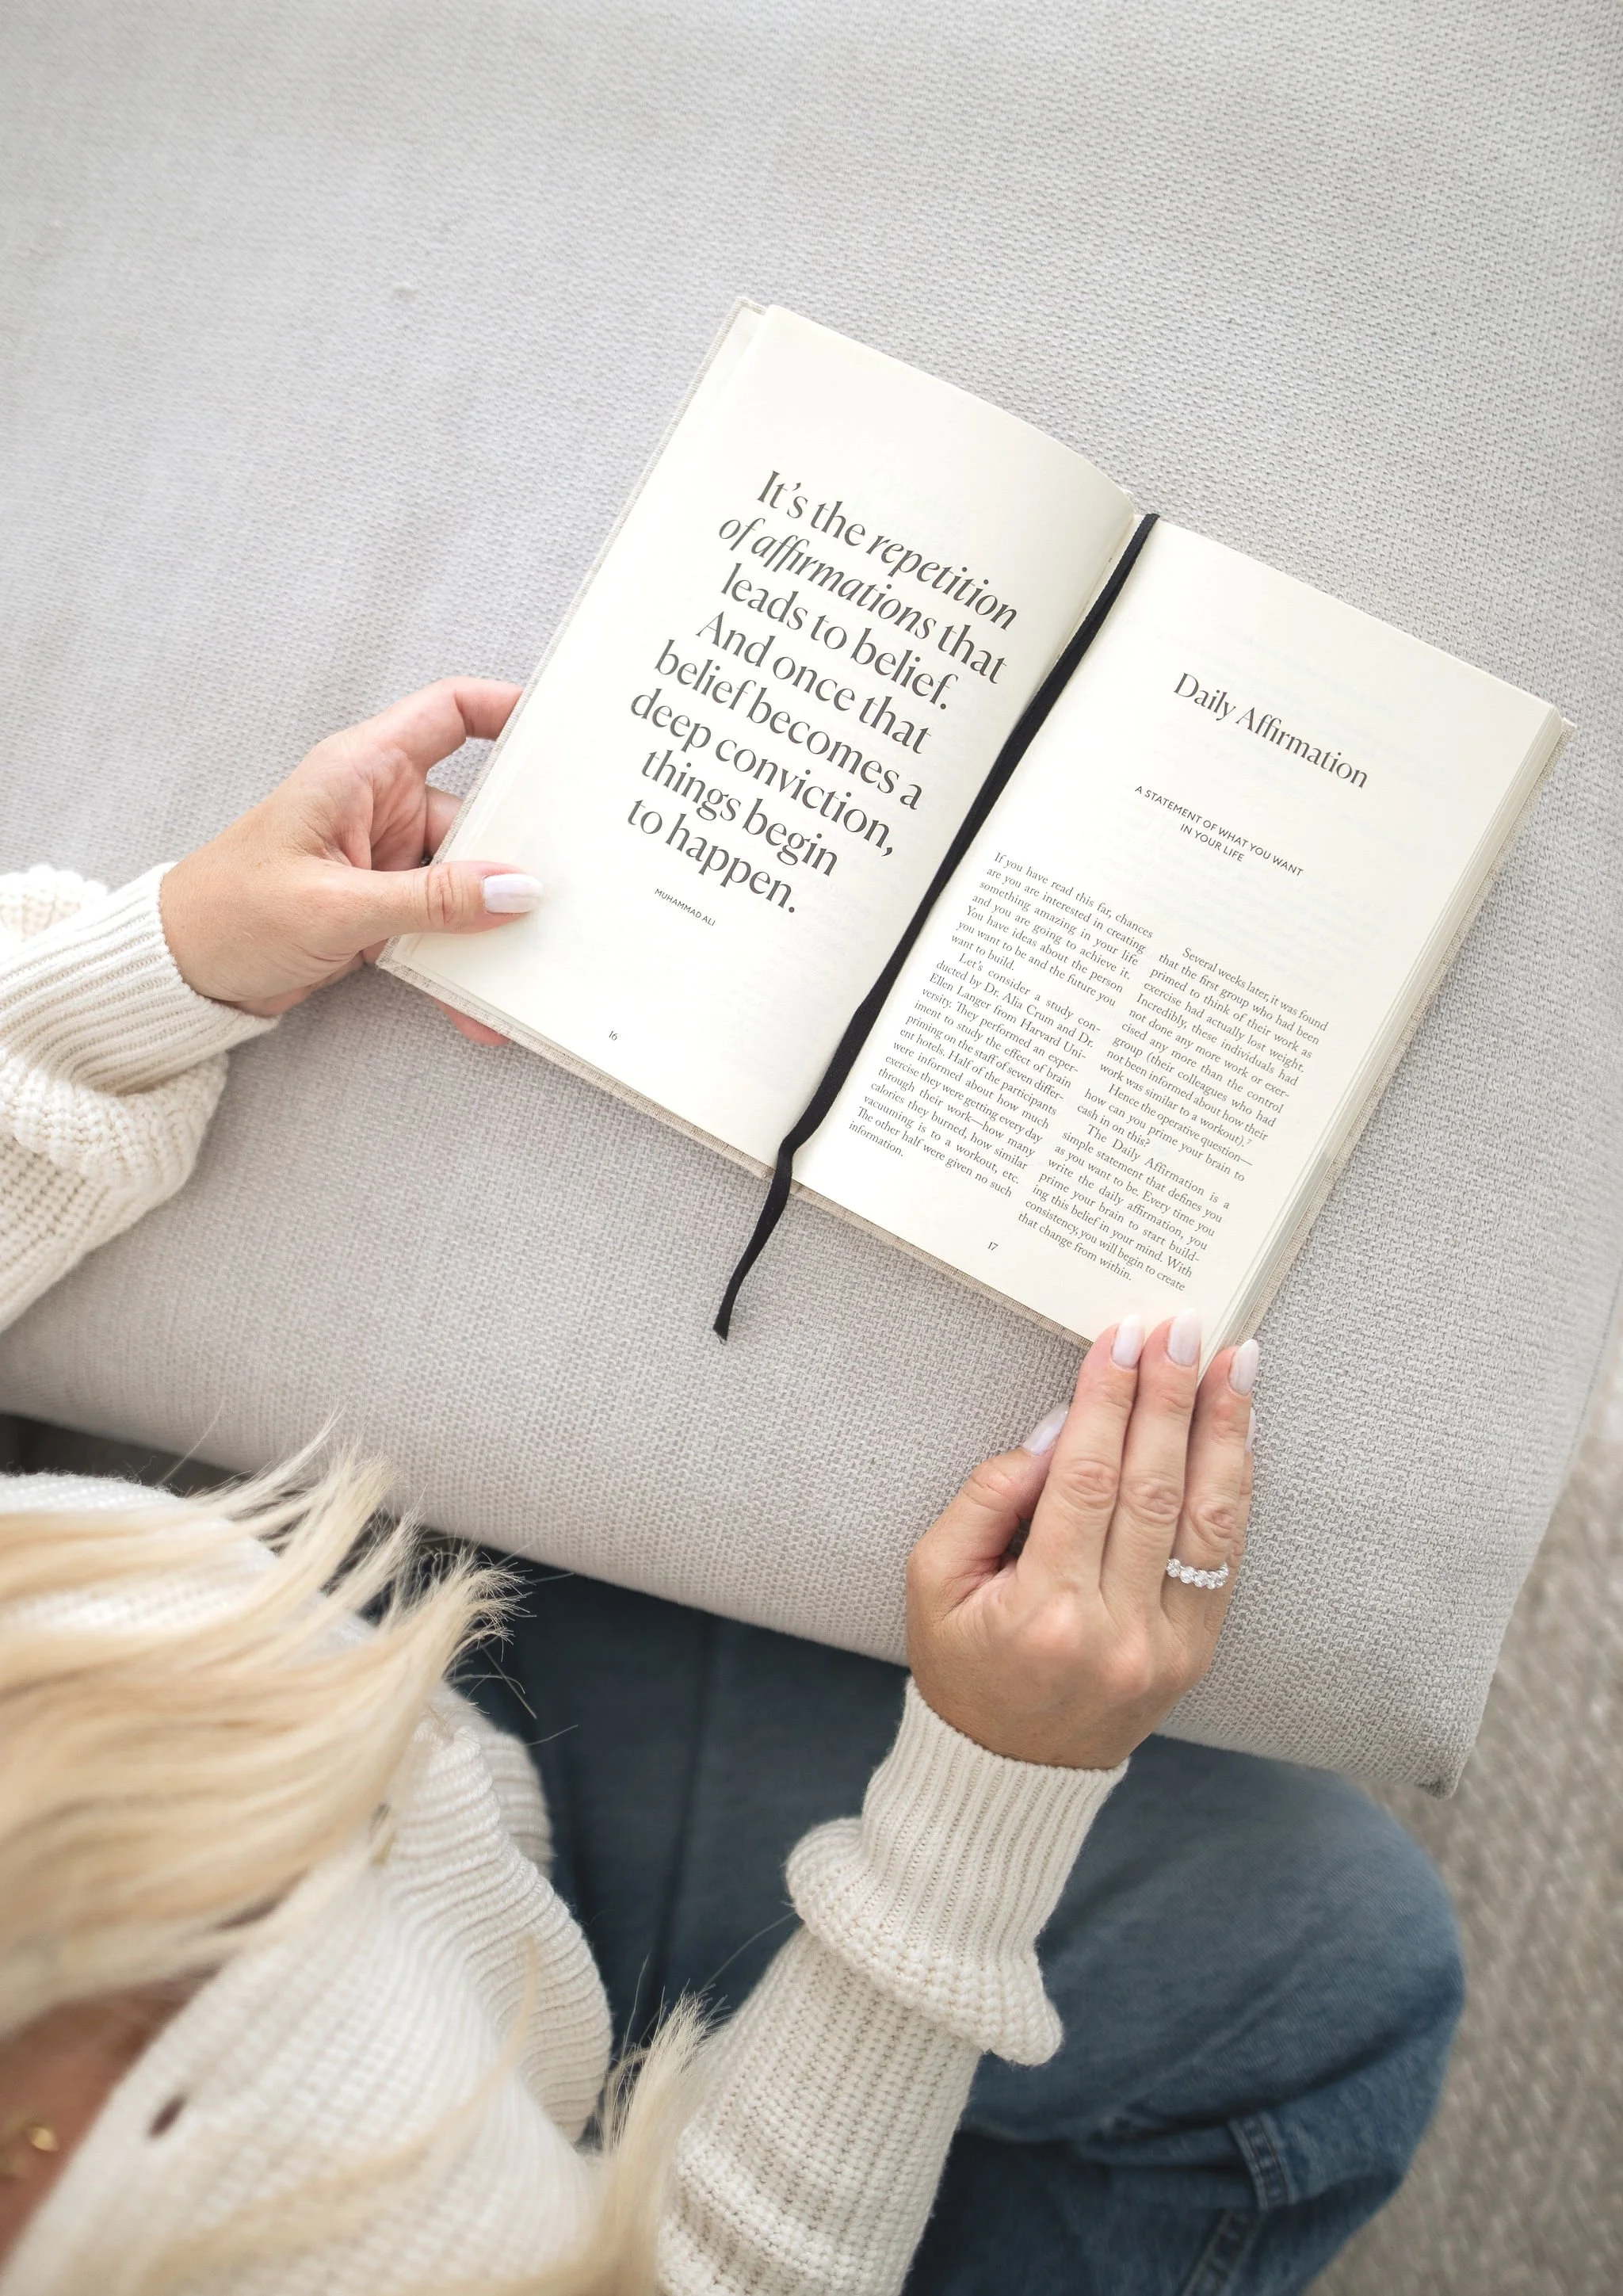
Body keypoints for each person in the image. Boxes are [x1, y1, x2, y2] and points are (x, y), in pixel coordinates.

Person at [0, 681, 1462, 2295]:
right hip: (537, 1987)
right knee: (1340, 1974)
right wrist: (985, 1800)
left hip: (357, 1672)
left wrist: (155, 970)